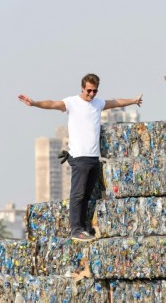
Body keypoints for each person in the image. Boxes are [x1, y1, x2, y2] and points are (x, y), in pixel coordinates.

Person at [18, 73, 143, 241]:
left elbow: (115, 102)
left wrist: (133, 100)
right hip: (79, 158)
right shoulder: (72, 103)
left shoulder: (98, 103)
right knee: (77, 195)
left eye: (95, 91)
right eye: (89, 91)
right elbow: (53, 104)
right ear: (82, 88)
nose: (91, 94)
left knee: (87, 196)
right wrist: (34, 103)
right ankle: (75, 229)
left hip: (94, 158)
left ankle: (84, 228)